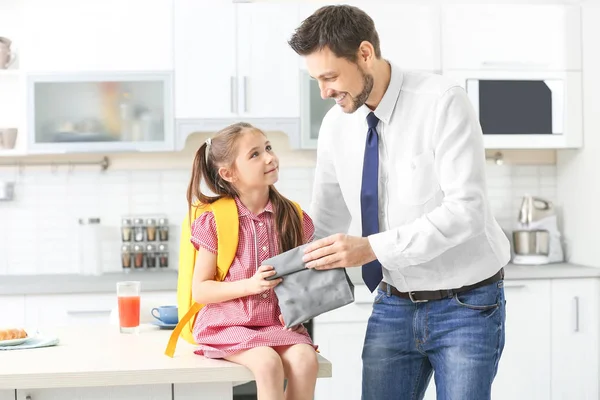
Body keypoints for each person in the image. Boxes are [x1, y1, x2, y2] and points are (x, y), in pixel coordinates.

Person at [288, 5, 511, 400]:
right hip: (392, 303)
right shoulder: (336, 125)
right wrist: (272, 282)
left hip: (467, 305)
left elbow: (467, 211)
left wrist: (371, 248)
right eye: (316, 80)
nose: (323, 92)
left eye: (330, 76)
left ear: (365, 54)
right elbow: (324, 223)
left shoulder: (442, 102)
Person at [186, 122, 318, 400]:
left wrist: (298, 306)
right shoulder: (215, 222)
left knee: (306, 361)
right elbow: (201, 290)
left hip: (275, 324)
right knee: (268, 363)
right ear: (228, 173)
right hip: (227, 324)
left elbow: (301, 279)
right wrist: (251, 285)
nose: (270, 157)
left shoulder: (294, 217)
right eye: (255, 154)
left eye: (268, 148)